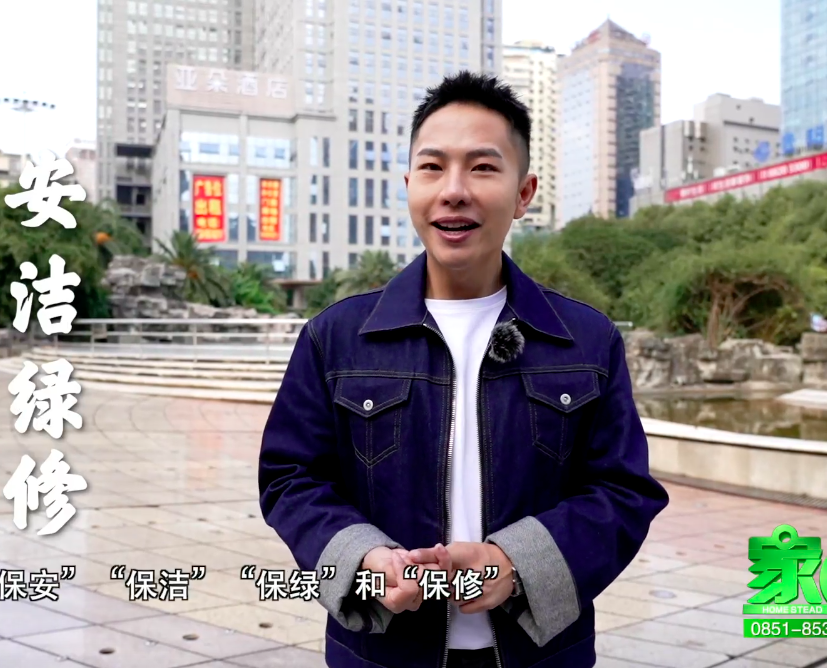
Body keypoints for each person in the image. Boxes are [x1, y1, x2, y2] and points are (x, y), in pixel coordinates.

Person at [258, 71, 669, 668]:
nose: (453, 191)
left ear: (524, 193)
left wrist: (517, 563)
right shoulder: (336, 337)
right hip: (381, 654)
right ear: (409, 186)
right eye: (432, 167)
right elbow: (291, 478)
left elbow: (623, 491)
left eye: (481, 167)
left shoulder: (586, 340)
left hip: (541, 654)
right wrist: (365, 560)